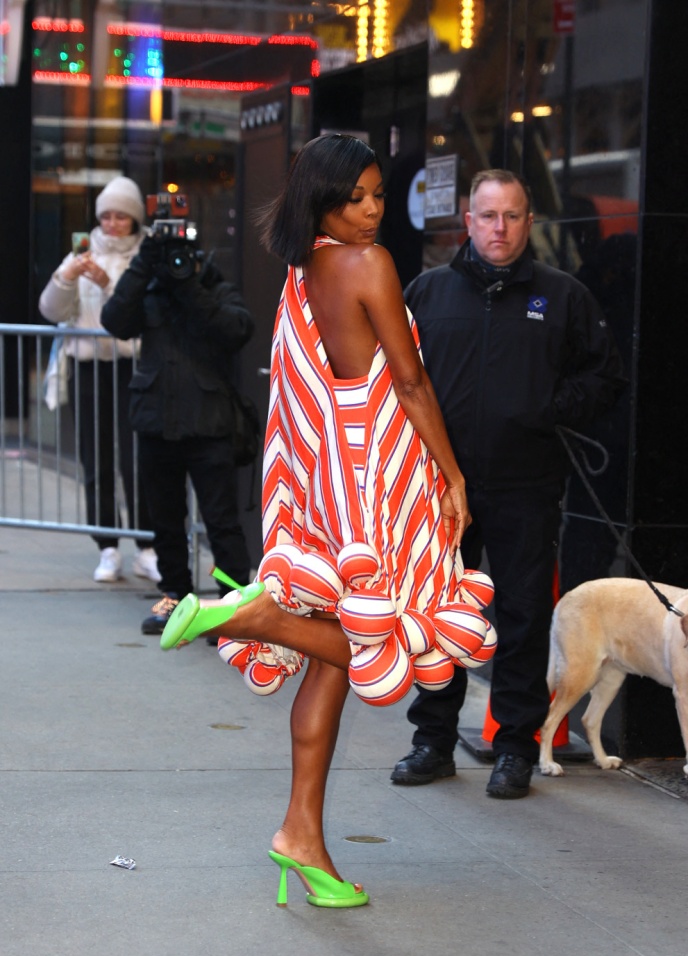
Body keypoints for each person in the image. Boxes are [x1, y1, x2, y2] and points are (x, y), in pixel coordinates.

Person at [157, 134, 473, 908]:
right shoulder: (368, 265)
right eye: (354, 198)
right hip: (380, 485)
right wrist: (454, 475)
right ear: (320, 201)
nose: (371, 211)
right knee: (395, 637)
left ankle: (303, 836)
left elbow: (312, 388)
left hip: (329, 477)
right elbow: (409, 380)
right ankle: (259, 615)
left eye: (375, 194)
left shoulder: (304, 274)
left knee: (336, 668)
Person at [390, 168, 627, 799]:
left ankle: (516, 747)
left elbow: (605, 377)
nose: (500, 228)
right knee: (441, 618)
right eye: (488, 216)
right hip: (441, 489)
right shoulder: (428, 292)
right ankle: (432, 742)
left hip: (528, 483)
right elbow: (394, 378)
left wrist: (547, 408)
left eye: (513, 216)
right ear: (467, 221)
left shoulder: (563, 295)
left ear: (528, 220)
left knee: (522, 617)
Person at [100, 213, 255, 635]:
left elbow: (237, 328)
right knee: (165, 521)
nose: (177, 265)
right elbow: (114, 320)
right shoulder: (147, 285)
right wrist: (142, 265)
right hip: (156, 422)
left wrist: (189, 287)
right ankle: (175, 597)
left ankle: (232, 605)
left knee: (221, 523)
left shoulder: (214, 285)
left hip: (210, 426)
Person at [38, 176, 159, 584]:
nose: (111, 224)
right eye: (105, 216)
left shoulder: (147, 254)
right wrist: (67, 277)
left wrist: (109, 286)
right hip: (89, 366)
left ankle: (147, 544)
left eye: (121, 216)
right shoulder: (83, 250)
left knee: (137, 458)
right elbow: (51, 311)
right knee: (96, 458)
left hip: (133, 364)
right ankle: (106, 545)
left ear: (135, 219)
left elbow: (143, 312)